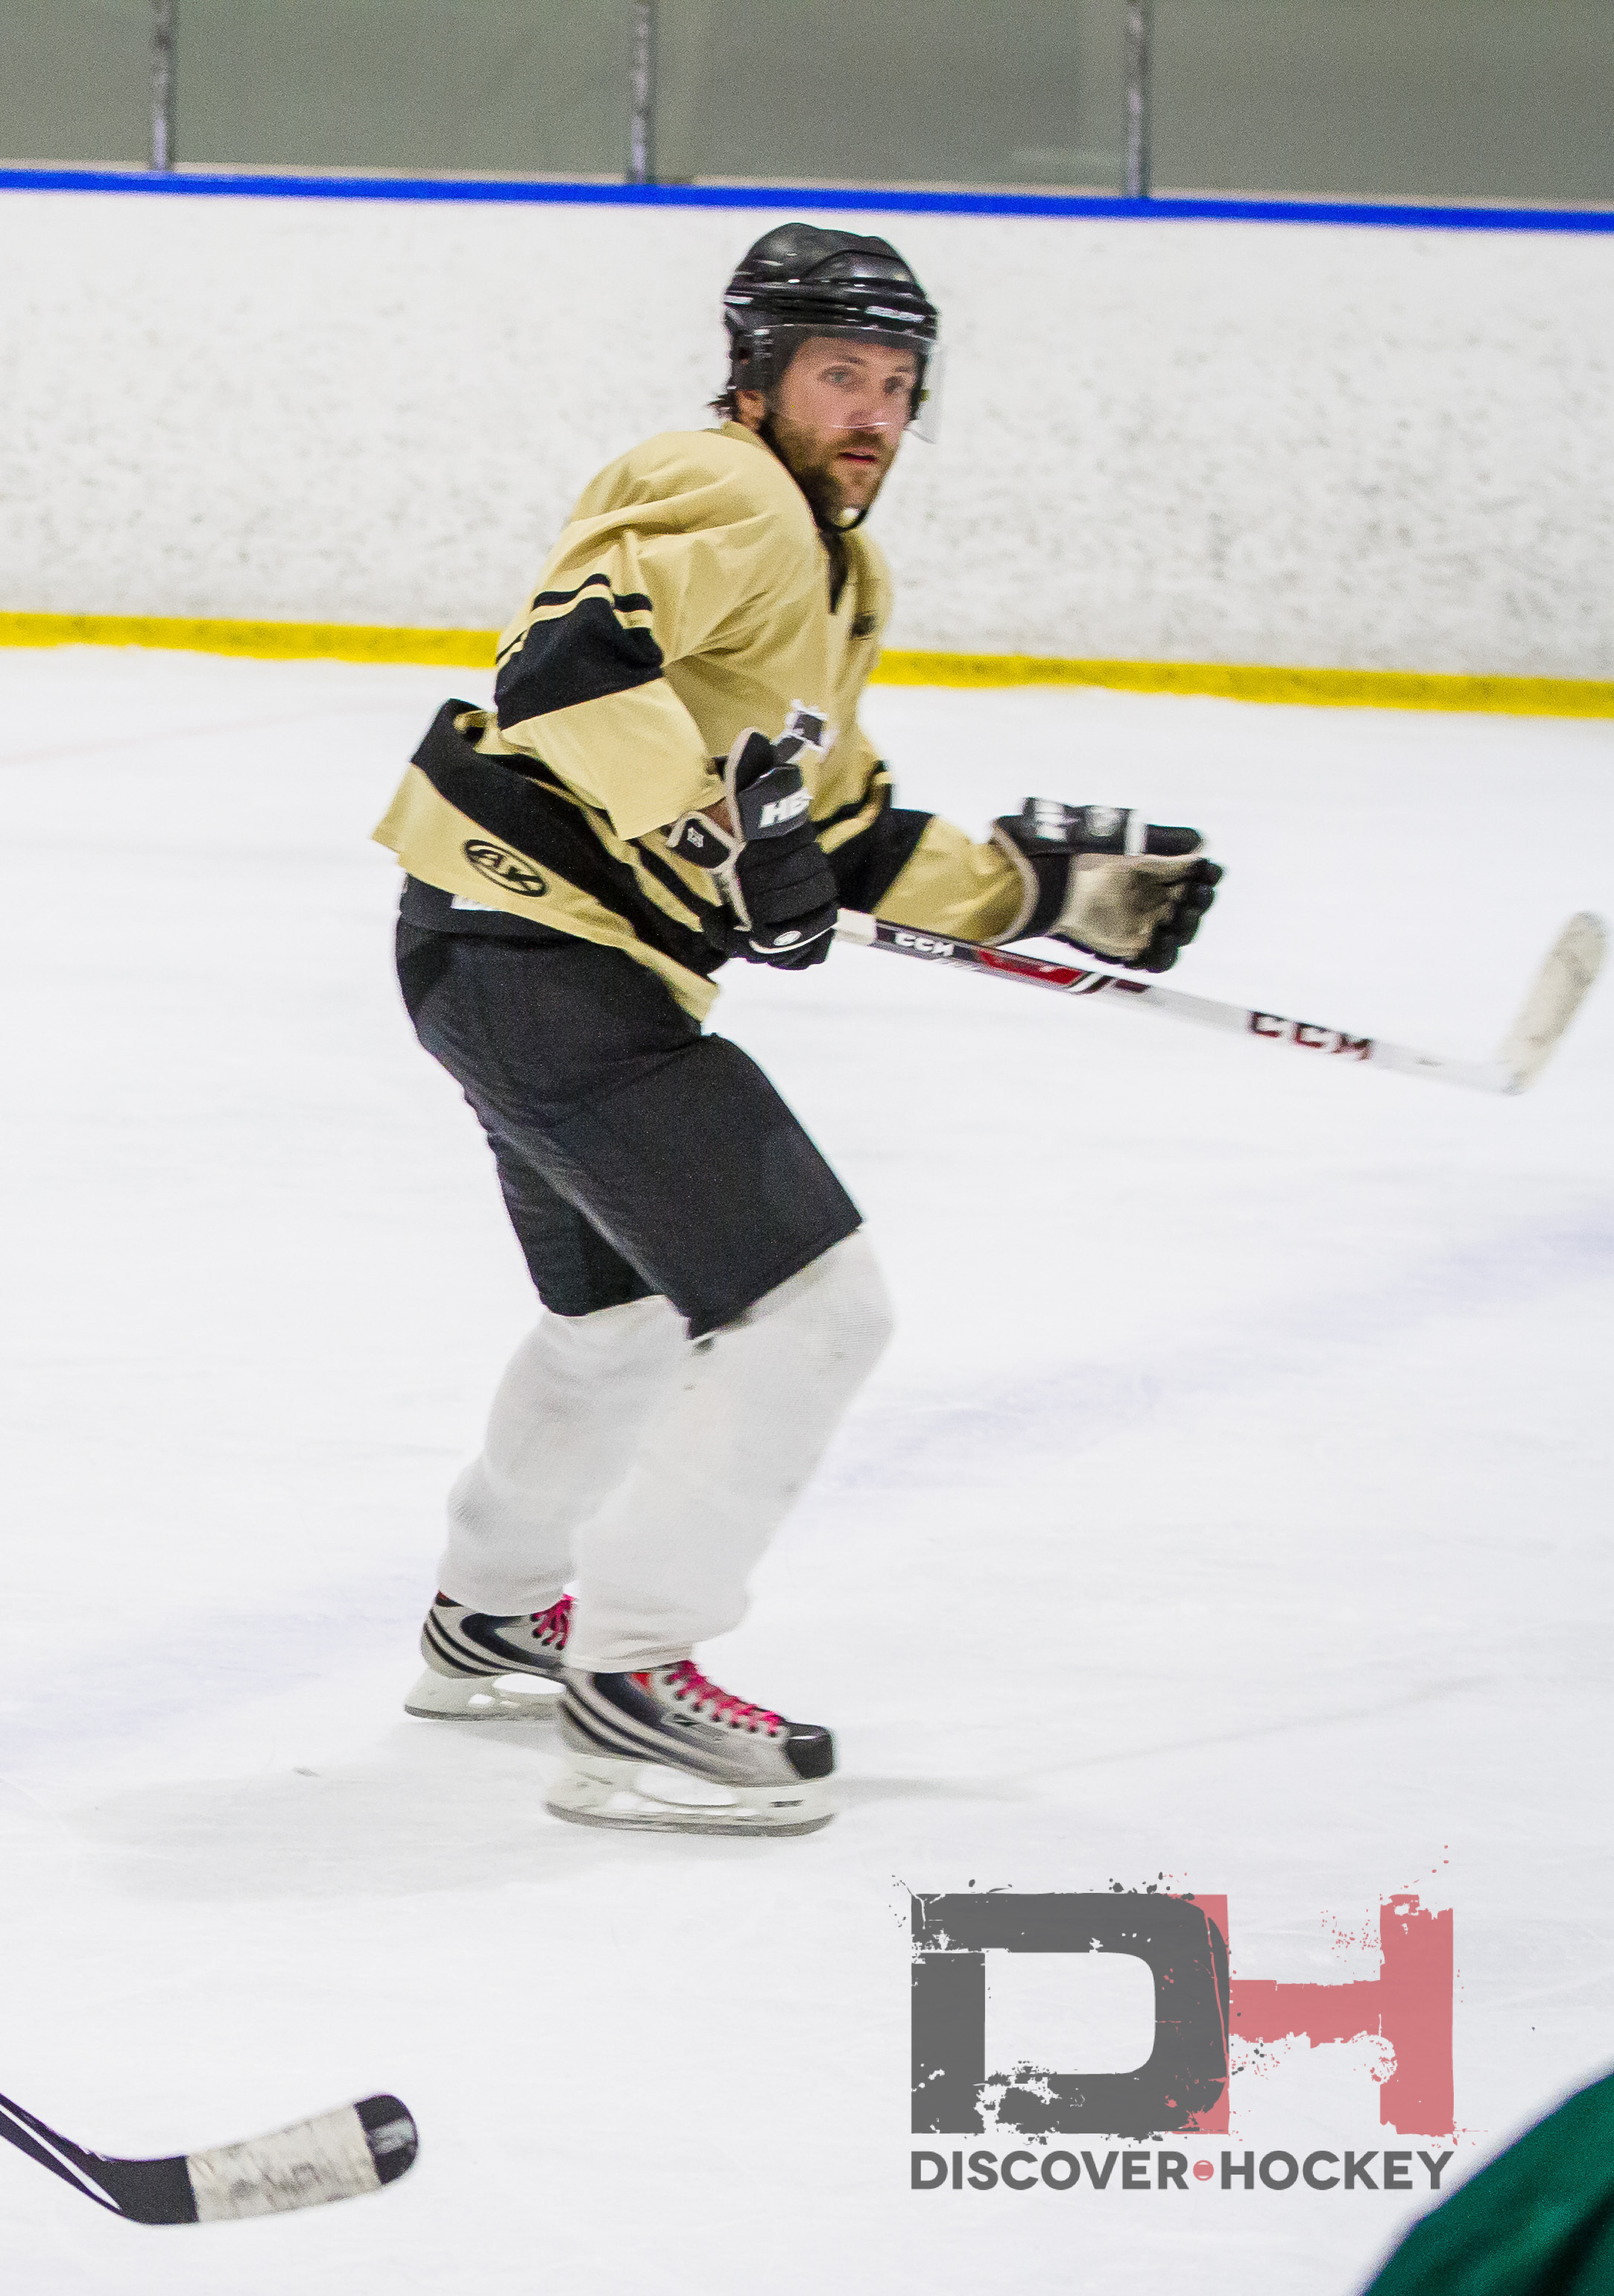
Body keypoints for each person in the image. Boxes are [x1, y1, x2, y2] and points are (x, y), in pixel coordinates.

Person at [370, 224, 1221, 1836]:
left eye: (897, 384)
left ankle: (491, 1619)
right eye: (840, 374)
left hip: (511, 960)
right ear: (756, 377)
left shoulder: (837, 568)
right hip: (540, 964)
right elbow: (561, 673)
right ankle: (632, 1684)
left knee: (618, 1325)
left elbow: (826, 825)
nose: (873, 413)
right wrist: (713, 829)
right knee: (814, 1311)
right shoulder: (724, 488)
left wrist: (1034, 891)